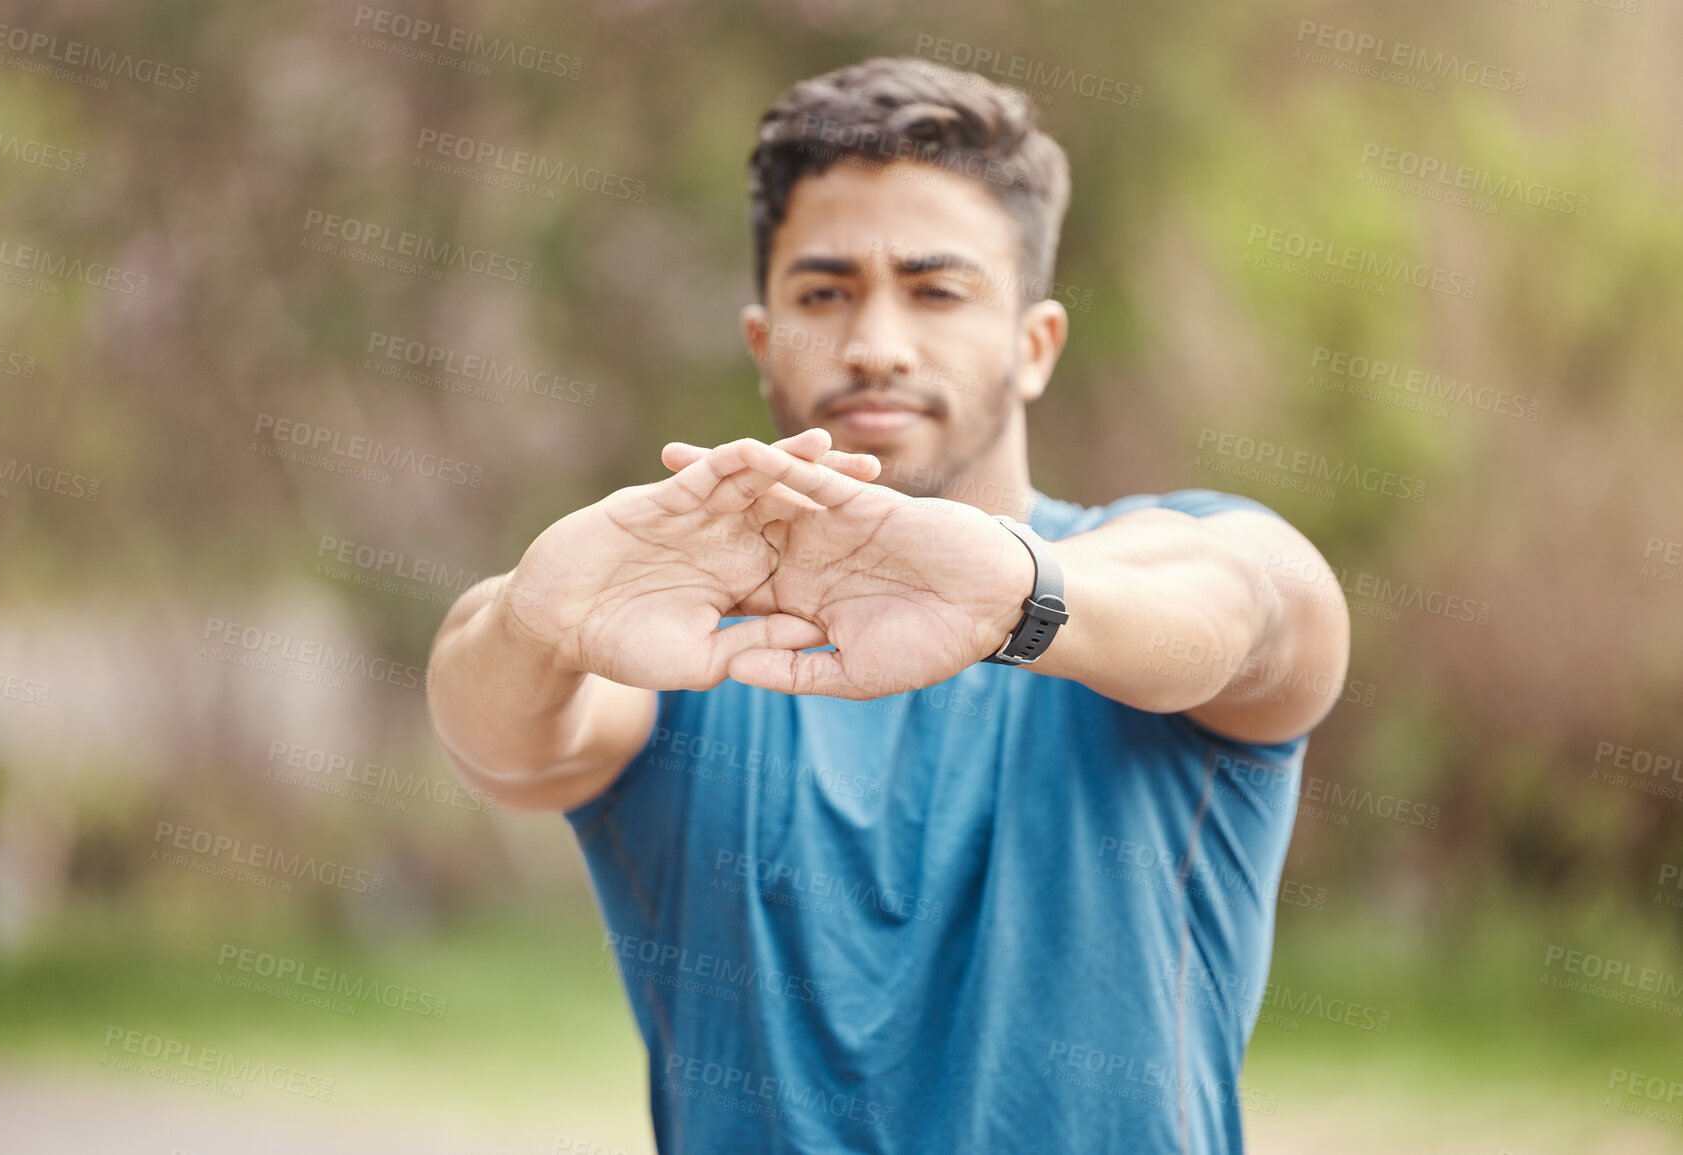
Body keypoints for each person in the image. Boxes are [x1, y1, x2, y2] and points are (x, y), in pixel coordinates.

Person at [428, 56, 1350, 1155]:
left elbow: (1250, 609)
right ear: (764, 342)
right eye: (823, 292)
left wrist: (1019, 594)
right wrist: (533, 621)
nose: (874, 342)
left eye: (937, 289)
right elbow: (507, 737)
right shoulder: (686, 637)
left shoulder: (1153, 565)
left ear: (1034, 344)